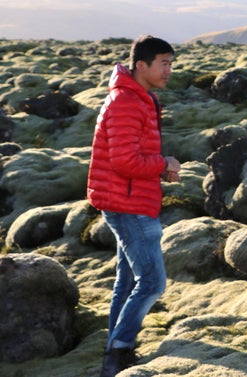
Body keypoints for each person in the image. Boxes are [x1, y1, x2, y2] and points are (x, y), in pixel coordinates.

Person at [87, 35, 180, 377]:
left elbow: (130, 157)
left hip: (132, 197)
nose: (169, 70)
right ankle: (119, 352)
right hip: (128, 204)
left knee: (126, 282)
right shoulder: (126, 102)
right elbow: (125, 161)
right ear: (141, 65)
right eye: (163, 63)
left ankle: (116, 351)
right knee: (153, 282)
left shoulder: (140, 98)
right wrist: (163, 163)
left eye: (171, 63)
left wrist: (159, 167)